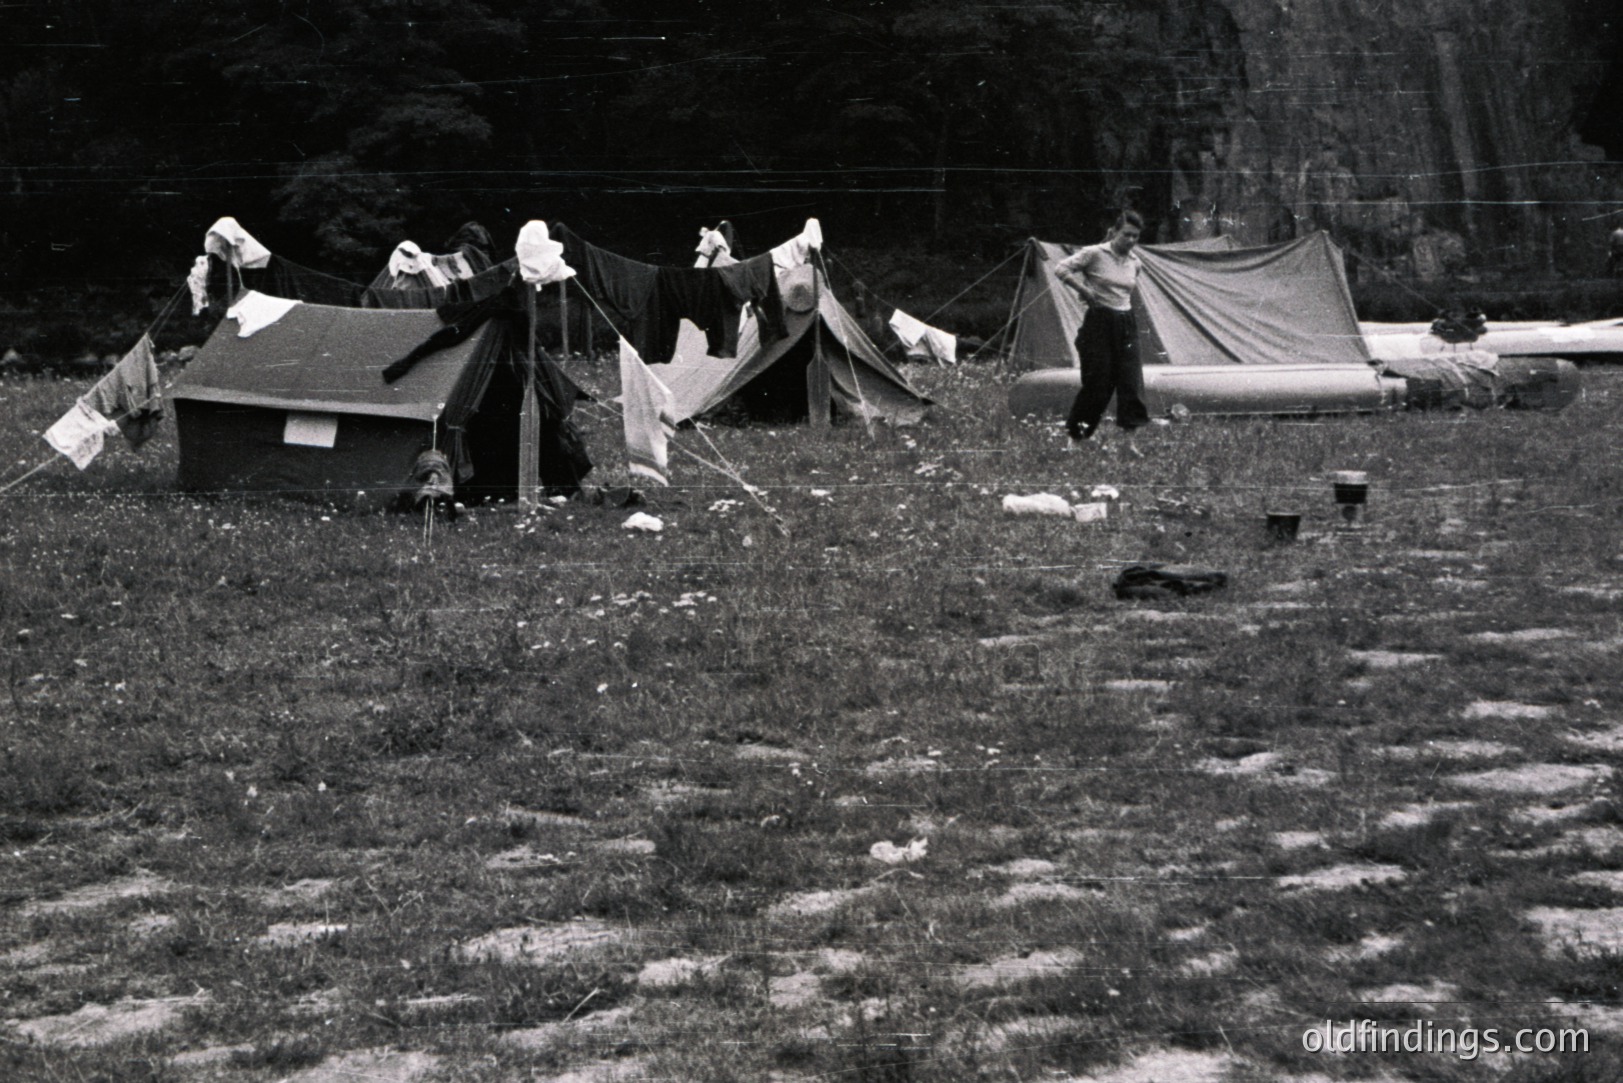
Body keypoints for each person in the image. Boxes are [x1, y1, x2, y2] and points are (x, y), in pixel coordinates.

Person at [1056, 210, 1149, 446]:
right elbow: (1061, 269)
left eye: (1135, 236)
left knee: (1131, 382)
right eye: (1126, 234)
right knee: (1098, 381)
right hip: (1099, 321)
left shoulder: (1135, 262)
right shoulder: (1094, 253)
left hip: (1126, 321)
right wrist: (1084, 290)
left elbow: (1127, 288)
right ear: (1115, 231)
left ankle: (1130, 443)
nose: (1130, 240)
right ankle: (1076, 439)